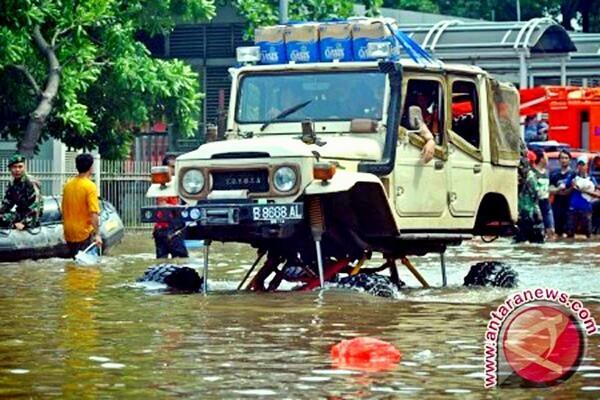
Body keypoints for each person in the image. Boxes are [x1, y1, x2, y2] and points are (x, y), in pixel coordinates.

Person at [62, 153, 102, 257]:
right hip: (83, 233)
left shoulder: (67, 185)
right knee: (86, 268)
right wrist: (97, 234)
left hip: (69, 233)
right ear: (91, 168)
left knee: (75, 263)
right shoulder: (90, 186)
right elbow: (93, 213)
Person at [153, 155, 188, 259]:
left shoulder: (175, 184)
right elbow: (162, 204)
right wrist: (180, 207)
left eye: (176, 167)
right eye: (172, 167)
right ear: (165, 168)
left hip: (169, 227)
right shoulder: (163, 184)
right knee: (182, 258)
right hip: (167, 228)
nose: (174, 170)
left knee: (162, 260)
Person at [0, 154, 43, 230]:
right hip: (19, 214)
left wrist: (24, 223)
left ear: (24, 167)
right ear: (10, 169)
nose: (17, 170)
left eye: (20, 167)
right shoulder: (12, 183)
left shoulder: (31, 182)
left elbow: (37, 206)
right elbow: (7, 202)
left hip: (31, 217)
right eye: (14, 167)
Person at [514, 149, 544, 243]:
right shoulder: (524, 176)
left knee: (533, 240)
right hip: (525, 212)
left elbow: (536, 194)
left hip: (530, 213)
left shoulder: (530, 177)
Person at [565, 156, 599, 238]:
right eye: (579, 165)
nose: (581, 167)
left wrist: (584, 190)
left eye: (583, 164)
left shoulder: (591, 178)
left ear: (587, 166)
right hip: (573, 209)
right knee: (570, 234)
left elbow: (597, 193)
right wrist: (572, 187)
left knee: (588, 234)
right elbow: (566, 189)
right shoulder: (573, 177)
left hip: (586, 209)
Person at [549, 149, 575, 237]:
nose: (564, 160)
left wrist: (566, 190)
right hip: (556, 206)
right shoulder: (554, 174)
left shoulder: (573, 174)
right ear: (559, 160)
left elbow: (574, 188)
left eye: (566, 158)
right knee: (556, 233)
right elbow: (549, 187)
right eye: (562, 158)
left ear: (570, 160)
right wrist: (557, 190)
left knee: (567, 234)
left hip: (570, 207)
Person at [531, 149, 555, 238]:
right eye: (546, 157)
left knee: (551, 229)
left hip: (546, 203)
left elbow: (548, 188)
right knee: (538, 230)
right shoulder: (533, 173)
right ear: (541, 159)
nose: (547, 159)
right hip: (536, 203)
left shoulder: (547, 172)